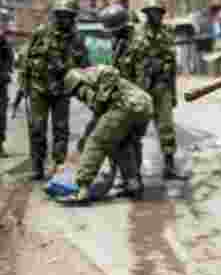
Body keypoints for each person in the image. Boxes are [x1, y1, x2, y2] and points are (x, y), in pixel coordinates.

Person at [56, 65, 152, 205]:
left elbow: (111, 72)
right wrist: (83, 141)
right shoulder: (97, 88)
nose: (78, 96)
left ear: (79, 82)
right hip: (143, 107)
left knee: (97, 142)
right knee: (123, 145)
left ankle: (81, 191)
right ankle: (133, 185)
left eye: (76, 91)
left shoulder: (95, 73)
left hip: (128, 105)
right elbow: (98, 119)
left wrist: (88, 140)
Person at [117, 0, 187, 180]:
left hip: (162, 87)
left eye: (158, 12)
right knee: (135, 130)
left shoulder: (167, 33)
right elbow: (126, 64)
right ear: (146, 13)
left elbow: (171, 65)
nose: (155, 15)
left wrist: (172, 94)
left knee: (166, 128)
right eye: (152, 12)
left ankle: (170, 167)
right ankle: (133, 172)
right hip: (141, 88)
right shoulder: (135, 32)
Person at [24, 0, 88, 180]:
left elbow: (85, 64)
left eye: (68, 15)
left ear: (73, 17)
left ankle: (59, 165)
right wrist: (24, 84)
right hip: (39, 88)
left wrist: (70, 69)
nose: (64, 19)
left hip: (61, 90)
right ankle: (37, 166)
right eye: (61, 15)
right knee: (37, 129)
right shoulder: (41, 32)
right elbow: (26, 59)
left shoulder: (77, 38)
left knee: (61, 129)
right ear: (55, 15)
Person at [102, 3, 144, 191]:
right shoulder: (119, 42)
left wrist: (133, 101)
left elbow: (142, 78)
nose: (112, 34)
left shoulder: (138, 43)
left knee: (130, 140)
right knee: (121, 139)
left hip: (135, 99)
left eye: (115, 31)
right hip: (122, 96)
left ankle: (133, 179)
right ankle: (128, 177)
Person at [0, 30, 14, 157]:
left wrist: (5, 71)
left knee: (1, 116)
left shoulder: (2, 40)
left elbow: (9, 57)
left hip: (1, 84)